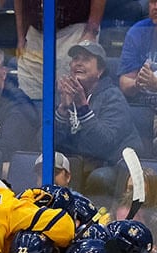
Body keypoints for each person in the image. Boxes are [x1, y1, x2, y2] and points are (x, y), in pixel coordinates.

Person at [54, 41, 143, 169]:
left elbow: (102, 146)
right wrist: (62, 110)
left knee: (99, 178)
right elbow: (42, 143)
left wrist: (83, 108)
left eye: (86, 59)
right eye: (75, 59)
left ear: (100, 70)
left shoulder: (113, 97)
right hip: (77, 164)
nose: (78, 63)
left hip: (111, 166)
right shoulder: (64, 93)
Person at [13, 0, 105, 101]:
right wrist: (21, 36)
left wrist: (91, 32)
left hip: (74, 32)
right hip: (35, 35)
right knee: (28, 97)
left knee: (70, 95)